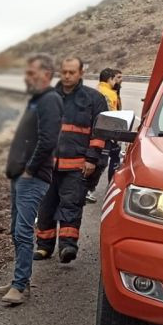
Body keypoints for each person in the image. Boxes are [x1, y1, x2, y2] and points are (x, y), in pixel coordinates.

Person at [0, 54, 62, 306]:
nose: (27, 77)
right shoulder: (37, 100)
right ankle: (18, 279)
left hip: (32, 178)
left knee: (24, 232)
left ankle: (20, 286)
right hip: (20, 176)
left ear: (46, 74)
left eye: (32, 73)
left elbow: (48, 140)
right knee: (16, 230)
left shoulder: (50, 100)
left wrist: (30, 169)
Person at [34, 56, 108, 264]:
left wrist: (92, 159)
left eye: (71, 72)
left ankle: (67, 246)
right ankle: (44, 247)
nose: (67, 76)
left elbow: (99, 133)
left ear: (81, 73)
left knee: (70, 206)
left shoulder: (94, 99)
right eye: (64, 72)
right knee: (45, 208)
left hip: (77, 166)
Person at [89, 67, 123, 201]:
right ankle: (90, 188)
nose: (120, 81)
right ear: (110, 79)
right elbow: (109, 115)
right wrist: (115, 134)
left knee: (106, 160)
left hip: (102, 132)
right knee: (102, 161)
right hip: (106, 133)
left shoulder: (101, 90)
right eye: (118, 78)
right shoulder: (107, 94)